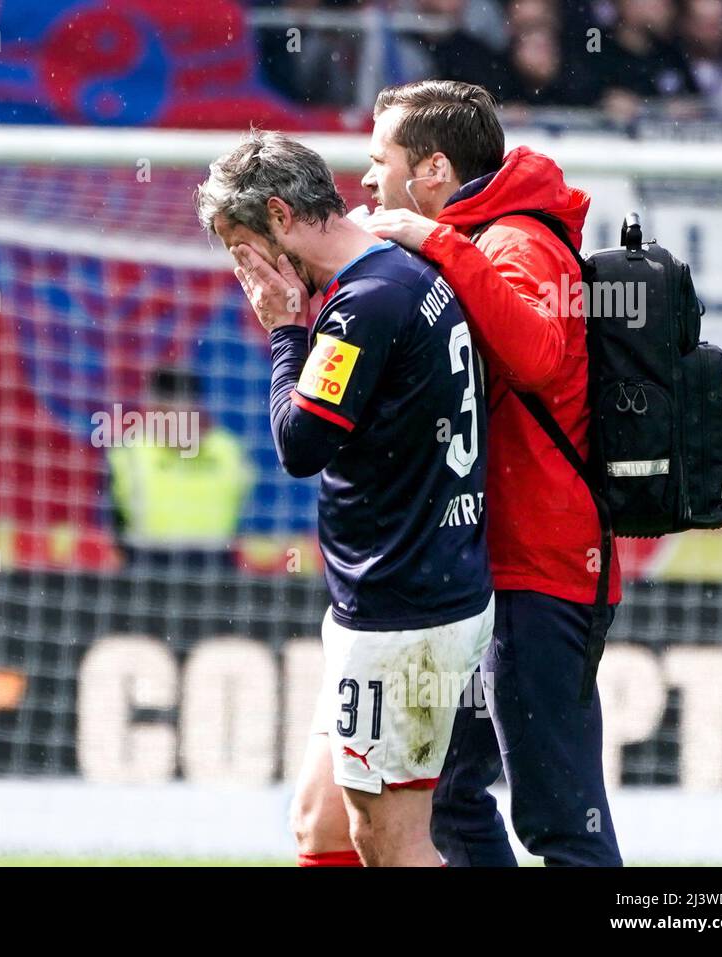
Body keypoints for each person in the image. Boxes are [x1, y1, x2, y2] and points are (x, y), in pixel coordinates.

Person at [198, 131, 492, 867]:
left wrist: (284, 329)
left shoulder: (364, 303)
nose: (247, 271)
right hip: (402, 594)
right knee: (320, 825)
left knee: (390, 841)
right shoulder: (399, 273)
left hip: (404, 611)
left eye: (243, 248)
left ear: (278, 214)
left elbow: (301, 444)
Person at [357, 79, 623, 866]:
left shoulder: (517, 241)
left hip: (543, 570)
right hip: (491, 572)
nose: (369, 180)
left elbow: (539, 355)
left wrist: (437, 244)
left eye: (381, 160)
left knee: (559, 819)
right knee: (447, 798)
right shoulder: (485, 240)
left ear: (432, 169)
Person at [106, 367, 253, 571]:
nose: (168, 422)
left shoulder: (229, 452)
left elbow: (252, 521)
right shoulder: (127, 456)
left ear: (196, 410)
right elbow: (110, 528)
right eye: (160, 413)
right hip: (146, 569)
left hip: (216, 569)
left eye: (173, 413)